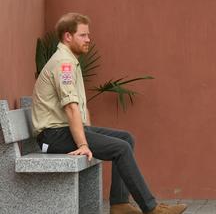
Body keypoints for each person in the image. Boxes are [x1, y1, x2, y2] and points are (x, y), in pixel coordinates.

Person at [32, 12, 187, 214]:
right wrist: (83, 144)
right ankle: (151, 208)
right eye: (83, 35)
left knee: (126, 138)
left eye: (88, 35)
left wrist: (89, 135)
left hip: (62, 131)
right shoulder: (64, 64)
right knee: (121, 148)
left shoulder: (68, 60)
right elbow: (70, 107)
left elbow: (77, 106)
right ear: (68, 36)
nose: (89, 39)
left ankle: (120, 204)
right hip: (52, 137)